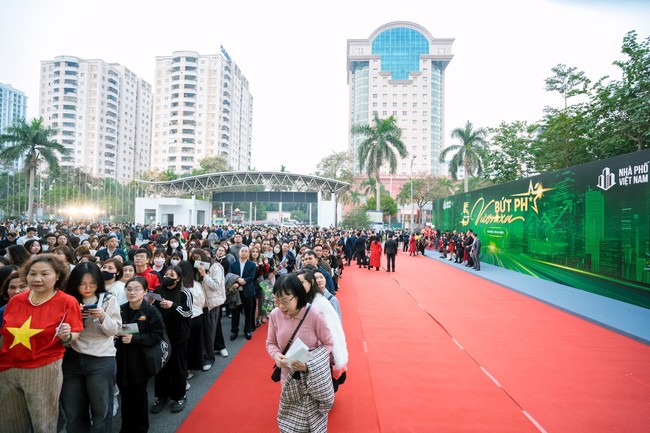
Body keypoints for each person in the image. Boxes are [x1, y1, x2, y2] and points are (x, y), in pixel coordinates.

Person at [0, 255, 84, 433]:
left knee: (43, 421)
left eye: (45, 274)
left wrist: (67, 336)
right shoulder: (16, 300)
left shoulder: (67, 301)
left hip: (43, 368)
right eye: (32, 274)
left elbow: (74, 334)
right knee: (9, 421)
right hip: (7, 368)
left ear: (58, 276)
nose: (37, 279)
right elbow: (5, 334)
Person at [266, 274, 334, 433]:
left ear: (298, 295)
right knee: (291, 420)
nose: (281, 306)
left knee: (312, 420)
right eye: (277, 300)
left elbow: (328, 343)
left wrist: (309, 365)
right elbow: (270, 343)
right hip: (287, 377)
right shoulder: (275, 315)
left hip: (311, 379)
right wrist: (276, 356)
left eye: (285, 301)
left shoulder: (314, 315)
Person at [60, 262, 122, 433]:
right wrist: (75, 317)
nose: (88, 288)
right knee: (73, 412)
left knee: (101, 411)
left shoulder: (108, 299)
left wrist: (102, 316)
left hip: (101, 360)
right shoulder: (67, 301)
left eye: (93, 283)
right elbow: (58, 331)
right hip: (70, 359)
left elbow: (114, 330)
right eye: (82, 284)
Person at [115, 276, 165, 433]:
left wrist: (135, 338)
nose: (132, 292)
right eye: (129, 289)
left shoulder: (151, 311)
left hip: (141, 362)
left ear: (145, 291)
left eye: (137, 289)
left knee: (139, 399)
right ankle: (126, 428)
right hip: (122, 360)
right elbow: (116, 329)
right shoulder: (120, 309)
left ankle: (141, 429)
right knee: (126, 398)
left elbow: (157, 335)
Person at [151, 265, 192, 414]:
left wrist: (173, 305)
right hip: (161, 334)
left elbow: (188, 312)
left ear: (179, 278)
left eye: (172, 274)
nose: (168, 276)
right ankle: (162, 396)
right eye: (166, 274)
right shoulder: (158, 290)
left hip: (179, 334)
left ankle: (180, 395)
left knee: (178, 365)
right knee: (162, 366)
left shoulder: (184, 292)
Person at [298, 269, 348, 391]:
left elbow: (334, 328)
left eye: (302, 282)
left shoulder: (324, 302)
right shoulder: (302, 301)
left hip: (320, 351)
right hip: (306, 349)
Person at [191, 248, 228, 362]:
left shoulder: (215, 267)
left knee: (211, 329)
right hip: (201, 303)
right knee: (206, 330)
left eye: (198, 257)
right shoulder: (194, 267)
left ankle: (209, 357)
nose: (196, 260)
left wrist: (204, 275)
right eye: (194, 258)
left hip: (212, 303)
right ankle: (208, 351)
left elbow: (215, 285)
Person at [228, 245, 257, 341]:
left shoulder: (252, 265)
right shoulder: (233, 264)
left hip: (248, 291)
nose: (243, 252)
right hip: (236, 292)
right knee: (235, 312)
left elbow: (252, 277)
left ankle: (247, 330)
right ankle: (234, 331)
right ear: (239, 252)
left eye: (246, 251)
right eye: (242, 251)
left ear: (248, 254)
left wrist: (243, 280)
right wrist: (237, 281)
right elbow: (230, 275)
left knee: (248, 312)